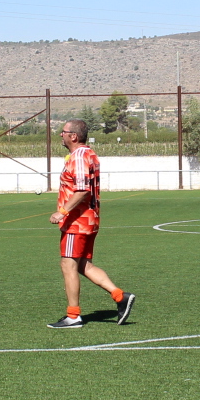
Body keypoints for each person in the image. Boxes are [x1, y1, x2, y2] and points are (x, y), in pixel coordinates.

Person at [47, 118, 135, 329]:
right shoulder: (89, 154)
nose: (61, 134)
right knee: (83, 265)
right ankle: (120, 296)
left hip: (76, 221)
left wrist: (62, 212)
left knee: (68, 264)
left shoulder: (78, 157)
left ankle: (73, 316)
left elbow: (83, 189)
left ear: (73, 136)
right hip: (90, 219)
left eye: (64, 131)